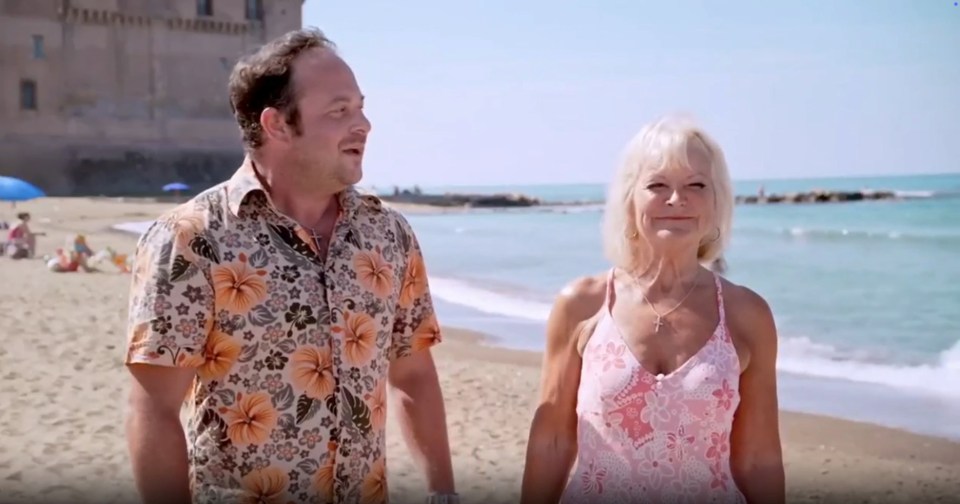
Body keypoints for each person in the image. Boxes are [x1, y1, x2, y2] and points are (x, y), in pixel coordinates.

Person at [123, 28, 457, 504]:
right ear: (277, 125)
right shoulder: (192, 238)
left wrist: (443, 493)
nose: (363, 124)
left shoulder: (389, 234)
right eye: (339, 111)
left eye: (360, 107)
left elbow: (414, 374)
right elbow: (152, 408)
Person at [520, 116, 785, 504]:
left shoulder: (747, 314)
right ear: (630, 199)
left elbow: (759, 459)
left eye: (696, 185)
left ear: (716, 202)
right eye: (657, 185)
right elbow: (553, 442)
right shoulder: (582, 304)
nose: (677, 199)